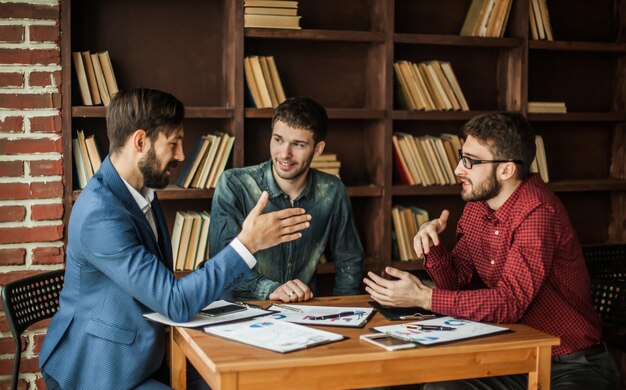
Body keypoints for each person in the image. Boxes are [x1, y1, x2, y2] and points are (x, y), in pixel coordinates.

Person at [38, 88, 311, 389]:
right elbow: (174, 301)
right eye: (174, 142)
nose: (182, 154)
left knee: (246, 380)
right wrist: (248, 244)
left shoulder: (141, 191)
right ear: (140, 141)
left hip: (149, 352)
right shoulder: (99, 215)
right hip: (99, 367)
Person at [363, 112, 619, 389]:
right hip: (516, 356)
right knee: (442, 387)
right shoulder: (478, 206)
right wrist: (433, 247)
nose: (458, 169)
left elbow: (510, 302)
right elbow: (456, 282)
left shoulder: (538, 213)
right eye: (462, 157)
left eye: (470, 161)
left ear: (506, 170)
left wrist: (425, 298)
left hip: (571, 362)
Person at [209, 96, 363, 302]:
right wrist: (271, 289)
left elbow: (349, 260)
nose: (284, 153)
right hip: (241, 312)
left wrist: (343, 309)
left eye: (298, 144)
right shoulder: (234, 184)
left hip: (302, 312)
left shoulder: (332, 190)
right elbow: (221, 262)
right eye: (278, 140)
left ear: (318, 149)